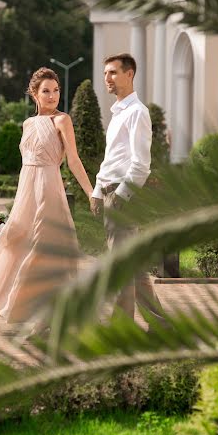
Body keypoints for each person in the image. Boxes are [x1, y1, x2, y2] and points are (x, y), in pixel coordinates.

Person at [0, 66, 93, 324]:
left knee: (46, 244)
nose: (52, 95)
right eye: (46, 91)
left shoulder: (62, 120)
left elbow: (73, 160)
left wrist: (90, 192)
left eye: (56, 90)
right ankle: (20, 304)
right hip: (27, 188)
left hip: (49, 186)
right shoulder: (28, 123)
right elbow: (26, 164)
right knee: (17, 242)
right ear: (34, 93)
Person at [90, 53, 164, 323]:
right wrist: (98, 192)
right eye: (105, 73)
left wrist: (121, 196)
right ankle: (163, 327)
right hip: (111, 191)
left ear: (129, 74)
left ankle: (120, 328)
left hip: (123, 194)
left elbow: (141, 164)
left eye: (112, 73)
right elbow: (112, 159)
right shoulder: (120, 112)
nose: (106, 78)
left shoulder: (137, 113)